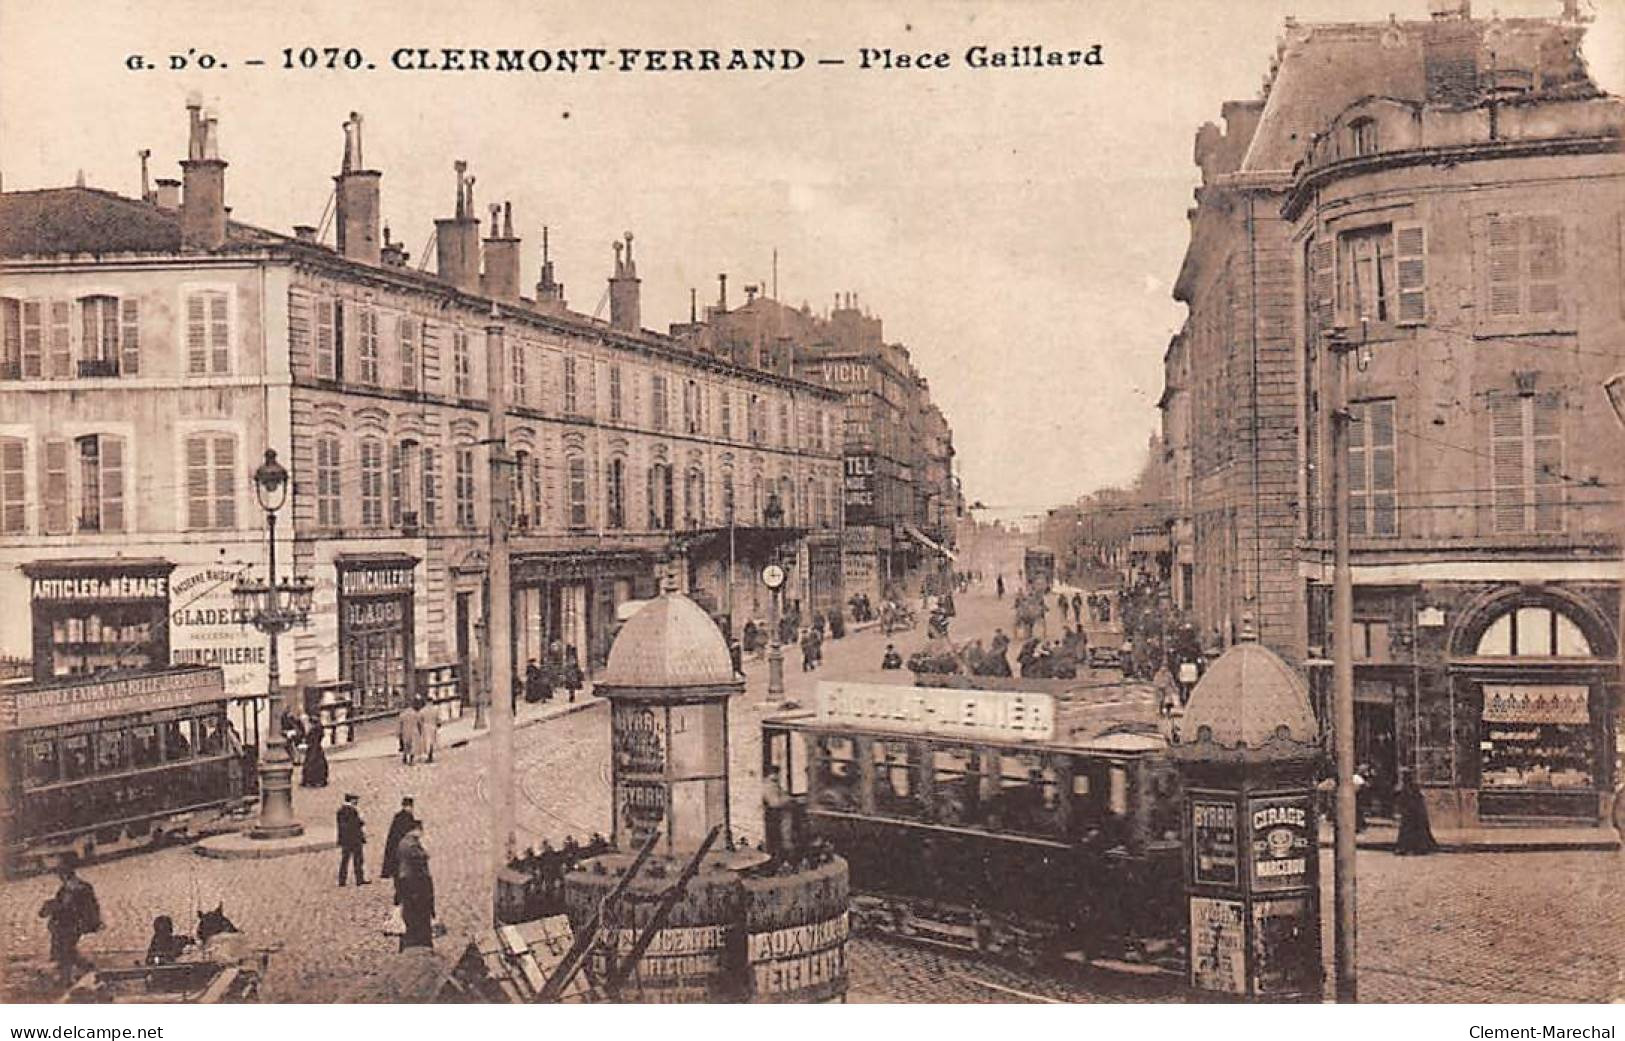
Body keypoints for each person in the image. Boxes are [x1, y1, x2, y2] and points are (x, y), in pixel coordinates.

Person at [39, 859, 99, 984]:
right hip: (65, 924)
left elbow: (76, 907)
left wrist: (51, 907)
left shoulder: (76, 888)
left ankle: (66, 977)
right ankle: (85, 966)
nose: (59, 877)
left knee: (65, 949)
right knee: (66, 949)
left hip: (72, 924)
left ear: (66, 873)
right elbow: (61, 903)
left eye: (60, 873)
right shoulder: (68, 887)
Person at [394, 823, 436, 951]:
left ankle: (412, 941)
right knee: (417, 913)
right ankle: (418, 942)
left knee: (411, 913)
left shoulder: (404, 842)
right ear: (415, 830)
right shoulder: (411, 844)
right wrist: (425, 852)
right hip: (415, 883)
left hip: (407, 882)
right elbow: (419, 858)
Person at [1394, 773, 1437, 855]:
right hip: (1411, 814)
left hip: (1412, 814)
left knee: (1411, 831)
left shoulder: (1410, 789)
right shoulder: (1409, 789)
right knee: (1410, 831)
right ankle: (1409, 848)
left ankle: (1411, 848)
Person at [336, 793, 370, 885]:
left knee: (345, 860)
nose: (357, 802)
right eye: (355, 800)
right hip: (354, 839)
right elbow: (355, 824)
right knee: (358, 860)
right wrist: (361, 821)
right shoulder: (352, 811)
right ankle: (359, 879)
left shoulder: (340, 810)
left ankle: (342, 880)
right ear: (351, 800)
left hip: (345, 840)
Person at [381, 796, 418, 880]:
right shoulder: (404, 816)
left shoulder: (402, 815)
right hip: (399, 841)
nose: (410, 808)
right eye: (408, 806)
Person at [300, 718, 329, 788]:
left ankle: (312, 780)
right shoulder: (318, 729)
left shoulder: (313, 730)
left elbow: (309, 739)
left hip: (313, 748)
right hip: (316, 748)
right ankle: (318, 780)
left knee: (311, 762)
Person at [416, 698, 440, 764]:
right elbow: (438, 719)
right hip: (433, 726)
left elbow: (419, 719)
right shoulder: (435, 710)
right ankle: (430, 755)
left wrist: (421, 725)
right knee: (432, 741)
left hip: (426, 727)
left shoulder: (423, 710)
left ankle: (428, 756)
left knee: (426, 742)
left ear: (426, 702)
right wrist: (437, 724)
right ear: (431, 702)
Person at [397, 700, 420, 766]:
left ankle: (404, 757)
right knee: (413, 745)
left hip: (405, 731)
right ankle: (411, 759)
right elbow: (419, 723)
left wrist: (399, 733)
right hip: (414, 731)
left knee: (406, 745)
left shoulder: (402, 714)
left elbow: (400, 724)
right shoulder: (415, 713)